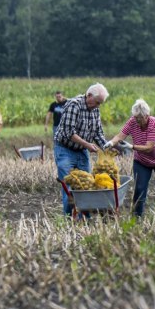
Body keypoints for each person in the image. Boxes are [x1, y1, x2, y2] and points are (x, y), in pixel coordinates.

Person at [111, 99, 155, 217]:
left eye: (140, 118)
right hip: (142, 162)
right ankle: (136, 217)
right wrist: (111, 143)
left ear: (147, 116)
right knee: (139, 189)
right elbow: (120, 136)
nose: (137, 121)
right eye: (135, 117)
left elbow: (149, 148)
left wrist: (131, 146)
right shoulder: (132, 121)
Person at [53, 83, 111, 215]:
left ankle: (85, 221)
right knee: (69, 186)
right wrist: (87, 145)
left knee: (87, 186)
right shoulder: (74, 105)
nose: (98, 106)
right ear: (89, 95)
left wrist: (108, 148)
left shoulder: (95, 110)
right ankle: (69, 219)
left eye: (100, 104)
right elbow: (69, 132)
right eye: (97, 102)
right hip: (65, 150)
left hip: (81, 151)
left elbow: (98, 133)